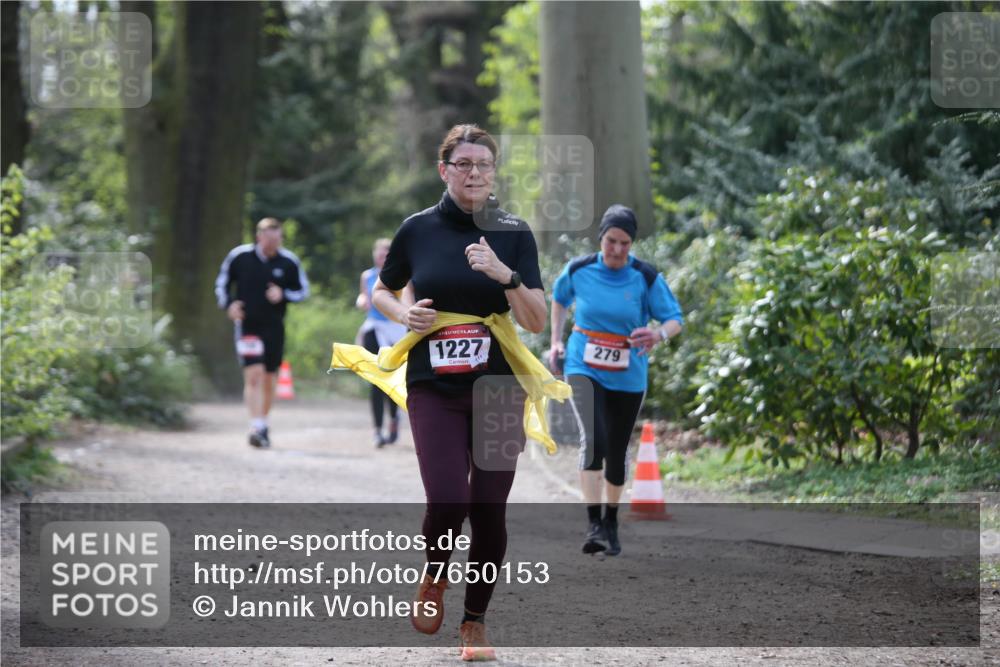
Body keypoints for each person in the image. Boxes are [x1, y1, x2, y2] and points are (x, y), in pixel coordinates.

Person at [330, 124, 569, 661]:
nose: (475, 173)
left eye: (484, 164)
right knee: (447, 498)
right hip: (433, 386)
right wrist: (402, 312)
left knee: (489, 510)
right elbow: (382, 290)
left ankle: (474, 622)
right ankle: (434, 576)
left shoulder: (513, 232)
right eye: (464, 164)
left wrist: (506, 275)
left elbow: (532, 318)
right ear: (445, 170)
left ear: (494, 172)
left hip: (499, 388)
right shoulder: (417, 229)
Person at [549, 204, 683, 556]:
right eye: (611, 241)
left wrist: (658, 335)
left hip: (628, 374)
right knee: (593, 439)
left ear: (632, 243)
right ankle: (593, 524)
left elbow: (674, 319)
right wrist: (556, 342)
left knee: (617, 449)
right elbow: (559, 300)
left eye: (625, 243)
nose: (618, 249)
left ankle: (611, 519)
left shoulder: (645, 276)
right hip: (583, 364)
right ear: (601, 238)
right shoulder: (578, 270)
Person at [215, 217, 309, 448]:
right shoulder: (240, 257)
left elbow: (303, 291)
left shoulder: (289, 261)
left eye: (276, 240)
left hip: (274, 327)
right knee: (254, 374)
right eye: (268, 240)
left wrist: (283, 294)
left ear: (281, 239)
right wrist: (230, 305)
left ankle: (263, 422)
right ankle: (256, 425)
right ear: (259, 237)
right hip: (248, 326)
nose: (272, 245)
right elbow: (222, 284)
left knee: (269, 378)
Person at [356, 238, 410, 447]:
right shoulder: (367, 276)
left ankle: (394, 418)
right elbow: (363, 297)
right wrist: (361, 301)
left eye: (386, 252)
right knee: (376, 379)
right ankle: (377, 430)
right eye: (379, 252)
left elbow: (406, 300)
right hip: (374, 328)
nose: (381, 256)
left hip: (396, 329)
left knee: (393, 378)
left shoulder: (402, 274)